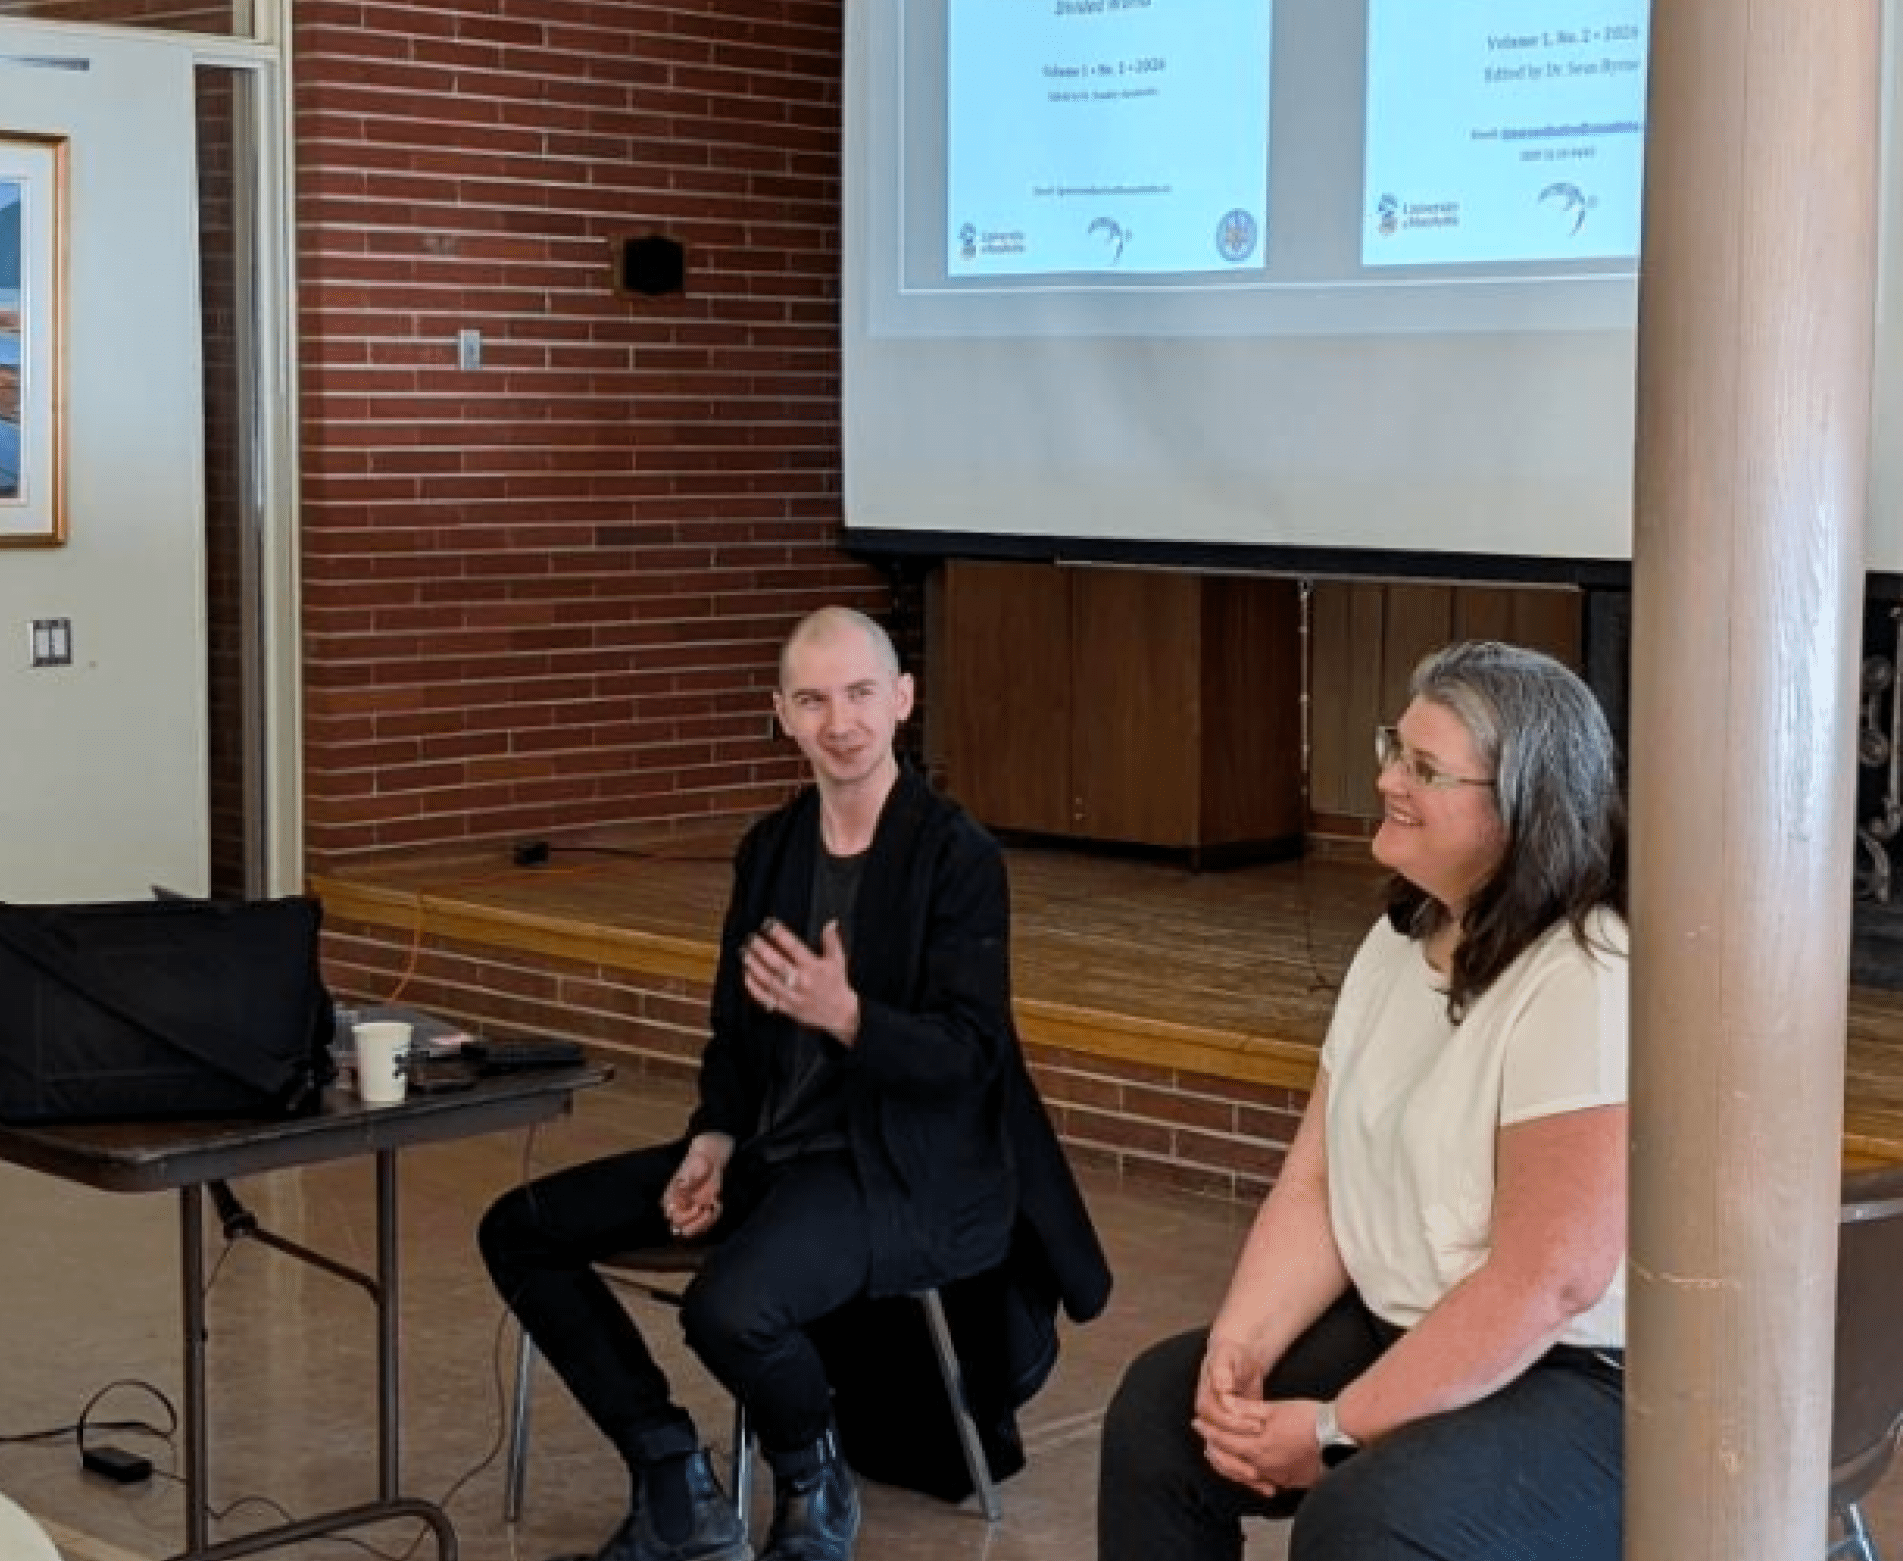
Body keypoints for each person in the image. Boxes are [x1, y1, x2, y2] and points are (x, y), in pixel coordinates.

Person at [481, 605, 1106, 1561]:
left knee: (729, 1309)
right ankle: (673, 1478)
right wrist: (713, 1138)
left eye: (860, 693)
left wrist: (850, 1016)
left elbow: (971, 1057)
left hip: (899, 1167)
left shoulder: (956, 855)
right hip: (772, 1151)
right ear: (781, 713)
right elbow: (735, 1035)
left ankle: (815, 1481)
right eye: (812, 700)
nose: (839, 722)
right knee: (520, 1228)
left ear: (903, 698)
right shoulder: (770, 849)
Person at [1098, 639, 1629, 1561]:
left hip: (1577, 1378)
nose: (1386, 779)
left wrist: (1337, 1427)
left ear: (1522, 807)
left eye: (1425, 768)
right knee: (1162, 1414)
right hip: (1412, 1325)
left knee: (1364, 1519)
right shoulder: (1396, 943)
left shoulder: (1586, 974)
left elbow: (1548, 1282)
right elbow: (1315, 1182)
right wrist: (1241, 1348)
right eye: (1394, 748)